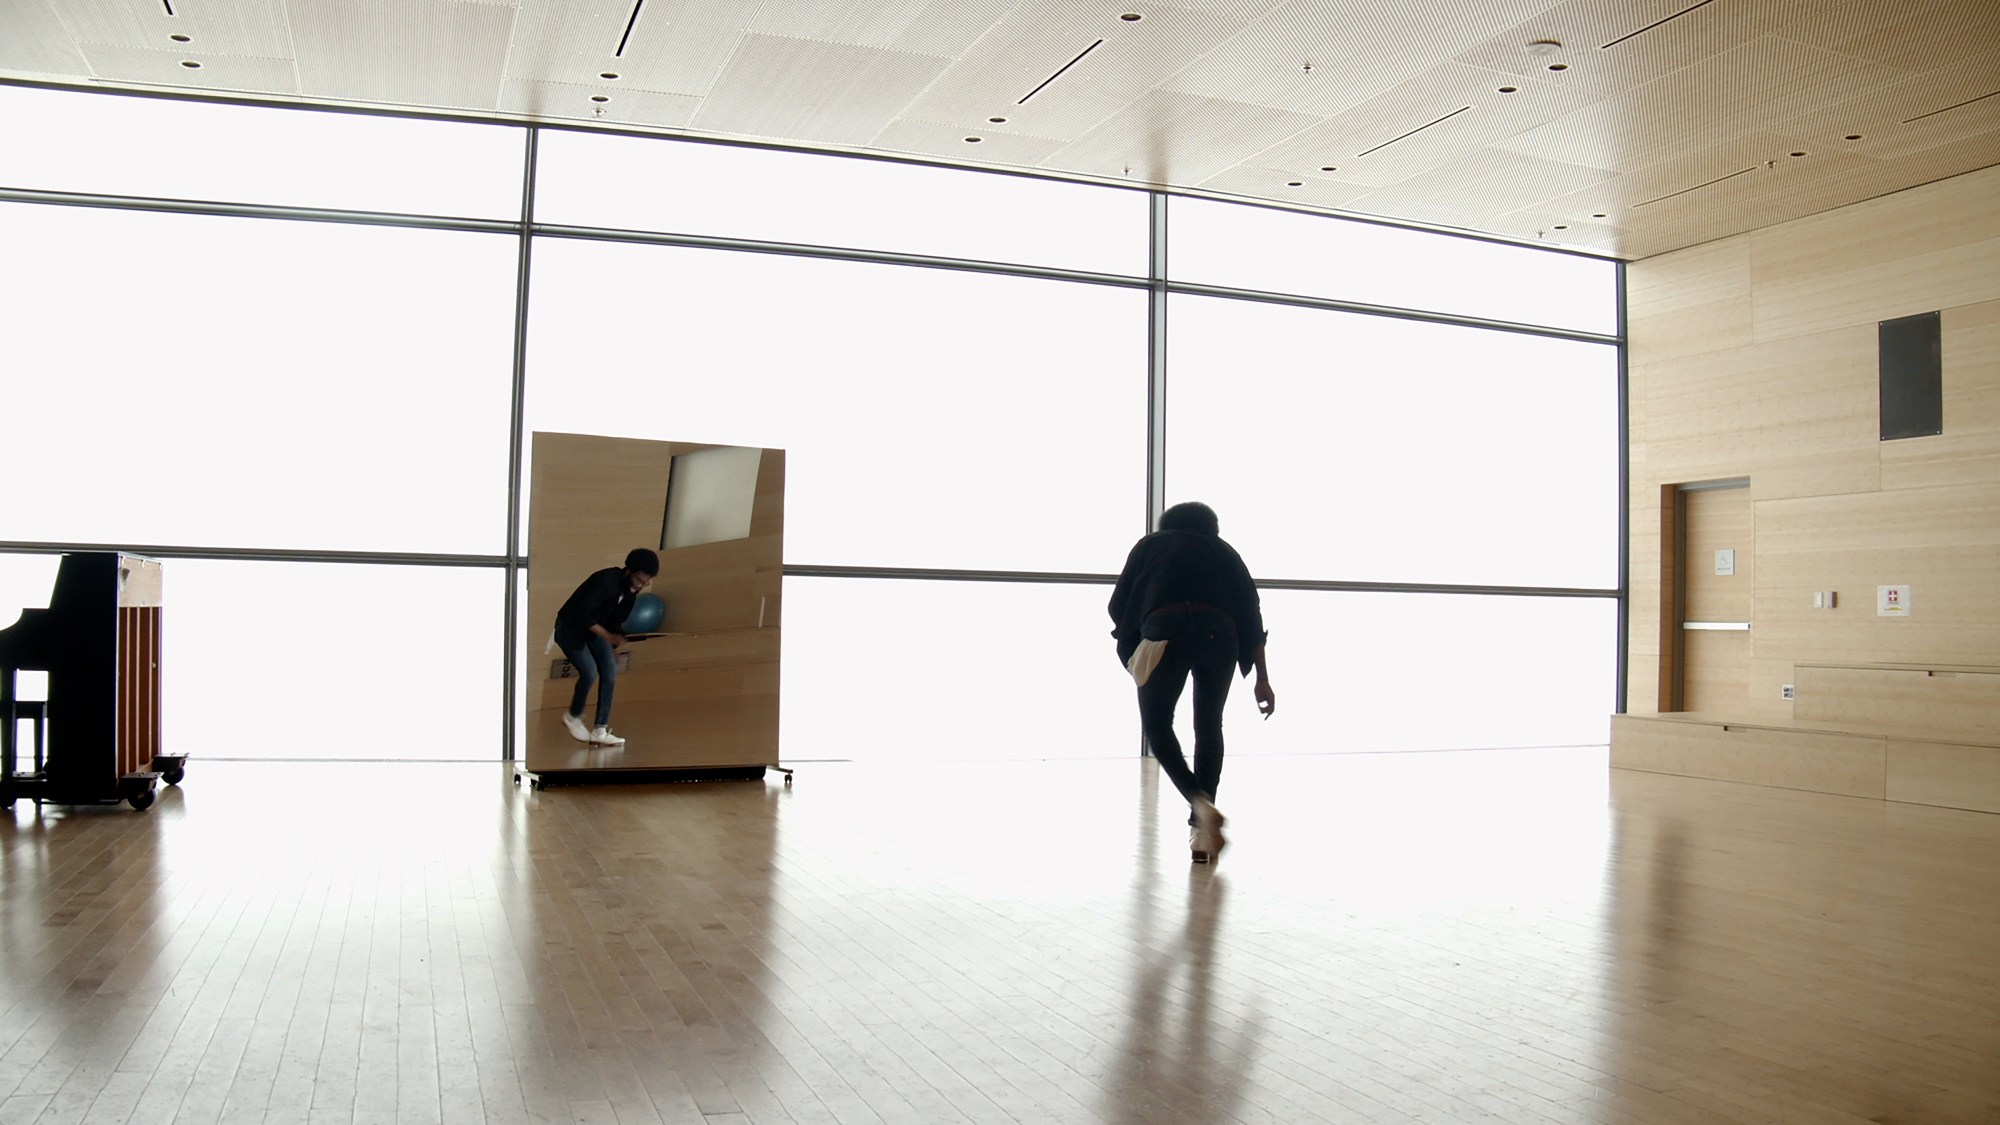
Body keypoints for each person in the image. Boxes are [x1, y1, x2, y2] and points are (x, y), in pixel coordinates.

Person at [1108, 502, 1274, 863]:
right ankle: (1201, 834)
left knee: (1156, 725)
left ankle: (1198, 801)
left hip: (1165, 631)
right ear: (1210, 526)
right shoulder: (1226, 552)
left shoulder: (1149, 545)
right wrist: (1262, 678)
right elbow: (1250, 612)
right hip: (1220, 634)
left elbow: (1119, 605)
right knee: (1209, 724)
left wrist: (1137, 637)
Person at [554, 548, 659, 747]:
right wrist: (608, 637)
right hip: (570, 629)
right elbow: (582, 614)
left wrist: (614, 645)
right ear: (629, 571)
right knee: (590, 671)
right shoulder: (606, 581)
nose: (640, 585)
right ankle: (573, 716)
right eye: (638, 579)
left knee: (610, 670)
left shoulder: (630, 594)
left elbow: (614, 623)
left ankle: (600, 729)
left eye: (645, 582)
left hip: (596, 630)